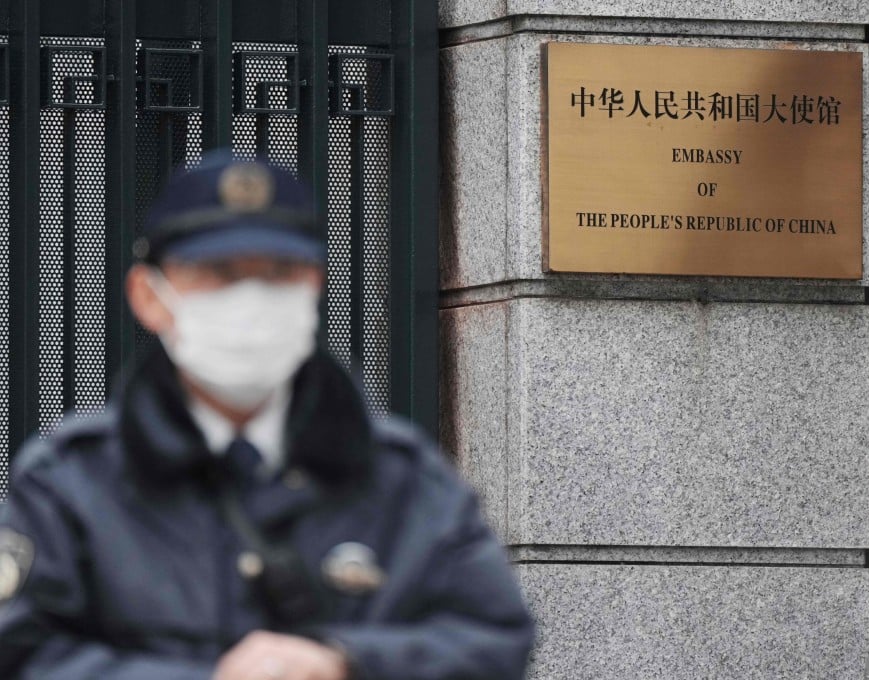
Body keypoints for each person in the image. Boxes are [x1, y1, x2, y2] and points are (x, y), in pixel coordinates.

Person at [0, 152, 534, 679]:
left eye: (281, 273)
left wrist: (346, 662)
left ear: (315, 286)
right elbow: (17, 650)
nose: (252, 297)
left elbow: (494, 638)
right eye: (217, 272)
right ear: (149, 296)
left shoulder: (401, 475)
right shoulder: (71, 481)